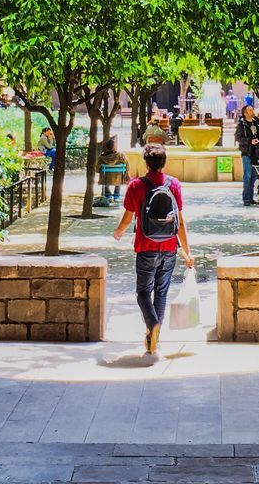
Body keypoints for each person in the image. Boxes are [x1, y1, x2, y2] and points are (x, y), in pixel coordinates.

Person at [112, 143, 194, 354]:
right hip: (169, 247)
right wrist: (187, 251)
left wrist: (119, 232)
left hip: (145, 246)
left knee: (142, 292)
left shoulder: (136, 185)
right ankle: (154, 338)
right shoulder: (173, 184)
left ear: (146, 163)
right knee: (161, 292)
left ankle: (152, 325)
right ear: (164, 162)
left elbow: (128, 217)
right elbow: (181, 222)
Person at [234, 104, 259, 205]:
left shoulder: (255, 123)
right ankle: (246, 198)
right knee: (248, 175)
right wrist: (250, 141)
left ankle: (250, 197)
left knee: (254, 176)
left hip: (255, 153)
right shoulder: (242, 124)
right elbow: (238, 138)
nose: (253, 111)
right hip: (247, 152)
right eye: (250, 110)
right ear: (245, 113)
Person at [98, 135, 127, 201]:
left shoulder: (101, 157)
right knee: (119, 175)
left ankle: (108, 194)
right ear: (114, 147)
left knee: (104, 175)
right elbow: (126, 166)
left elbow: (97, 169)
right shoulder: (121, 156)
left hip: (106, 178)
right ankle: (116, 194)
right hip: (118, 178)